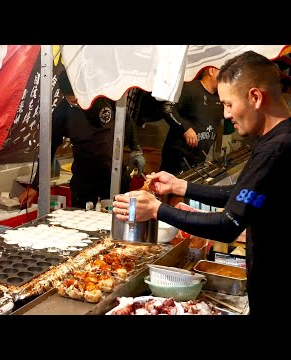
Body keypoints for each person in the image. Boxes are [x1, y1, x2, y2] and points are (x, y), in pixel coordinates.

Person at [112, 50, 291, 315]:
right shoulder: (276, 139)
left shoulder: (276, 149)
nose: (227, 114)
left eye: (229, 104)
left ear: (255, 96)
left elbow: (228, 224)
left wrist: (157, 210)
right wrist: (179, 187)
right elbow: (241, 195)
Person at [19, 70, 145, 209]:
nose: (81, 104)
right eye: (74, 102)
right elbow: (49, 148)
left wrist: (136, 150)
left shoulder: (104, 97)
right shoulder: (61, 113)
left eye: (82, 98)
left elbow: (125, 119)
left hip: (115, 178)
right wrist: (36, 185)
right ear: (65, 97)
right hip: (84, 182)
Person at [160, 66, 224, 174]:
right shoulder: (189, 88)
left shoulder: (220, 97)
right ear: (211, 71)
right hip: (177, 160)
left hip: (199, 162)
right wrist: (185, 128)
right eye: (222, 71)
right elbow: (167, 109)